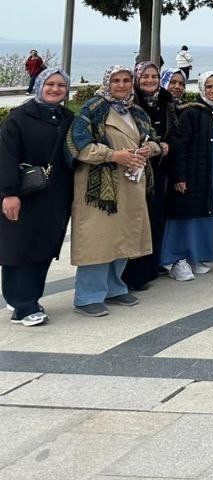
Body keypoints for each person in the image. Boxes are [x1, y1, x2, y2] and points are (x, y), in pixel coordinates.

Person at [67, 66, 163, 315]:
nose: (121, 85)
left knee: (123, 235)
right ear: (107, 82)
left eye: (126, 80)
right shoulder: (93, 109)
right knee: (98, 239)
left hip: (131, 182)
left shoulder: (136, 111)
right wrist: (113, 155)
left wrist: (149, 149)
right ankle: (87, 296)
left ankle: (114, 288)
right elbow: (78, 145)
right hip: (100, 188)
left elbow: (154, 138)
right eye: (116, 80)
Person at [0, 68, 74, 325]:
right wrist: (9, 193)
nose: (55, 89)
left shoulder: (67, 118)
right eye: (50, 84)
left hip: (55, 195)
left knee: (44, 247)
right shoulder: (18, 118)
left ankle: (26, 298)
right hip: (25, 194)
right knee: (20, 248)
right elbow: (6, 156)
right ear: (39, 85)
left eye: (61, 85)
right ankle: (23, 305)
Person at [160, 71, 213, 282]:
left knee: (202, 215)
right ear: (201, 89)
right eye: (209, 87)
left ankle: (194, 256)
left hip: (210, 173)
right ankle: (176, 259)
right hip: (191, 172)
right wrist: (179, 176)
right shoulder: (192, 112)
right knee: (185, 216)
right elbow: (179, 146)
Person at [120, 61, 178, 292]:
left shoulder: (166, 101)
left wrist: (167, 145)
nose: (150, 80)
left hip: (160, 169)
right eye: (145, 76)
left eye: (154, 76)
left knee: (154, 219)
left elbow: (175, 133)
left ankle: (149, 269)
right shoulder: (129, 103)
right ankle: (130, 274)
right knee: (135, 220)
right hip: (134, 168)